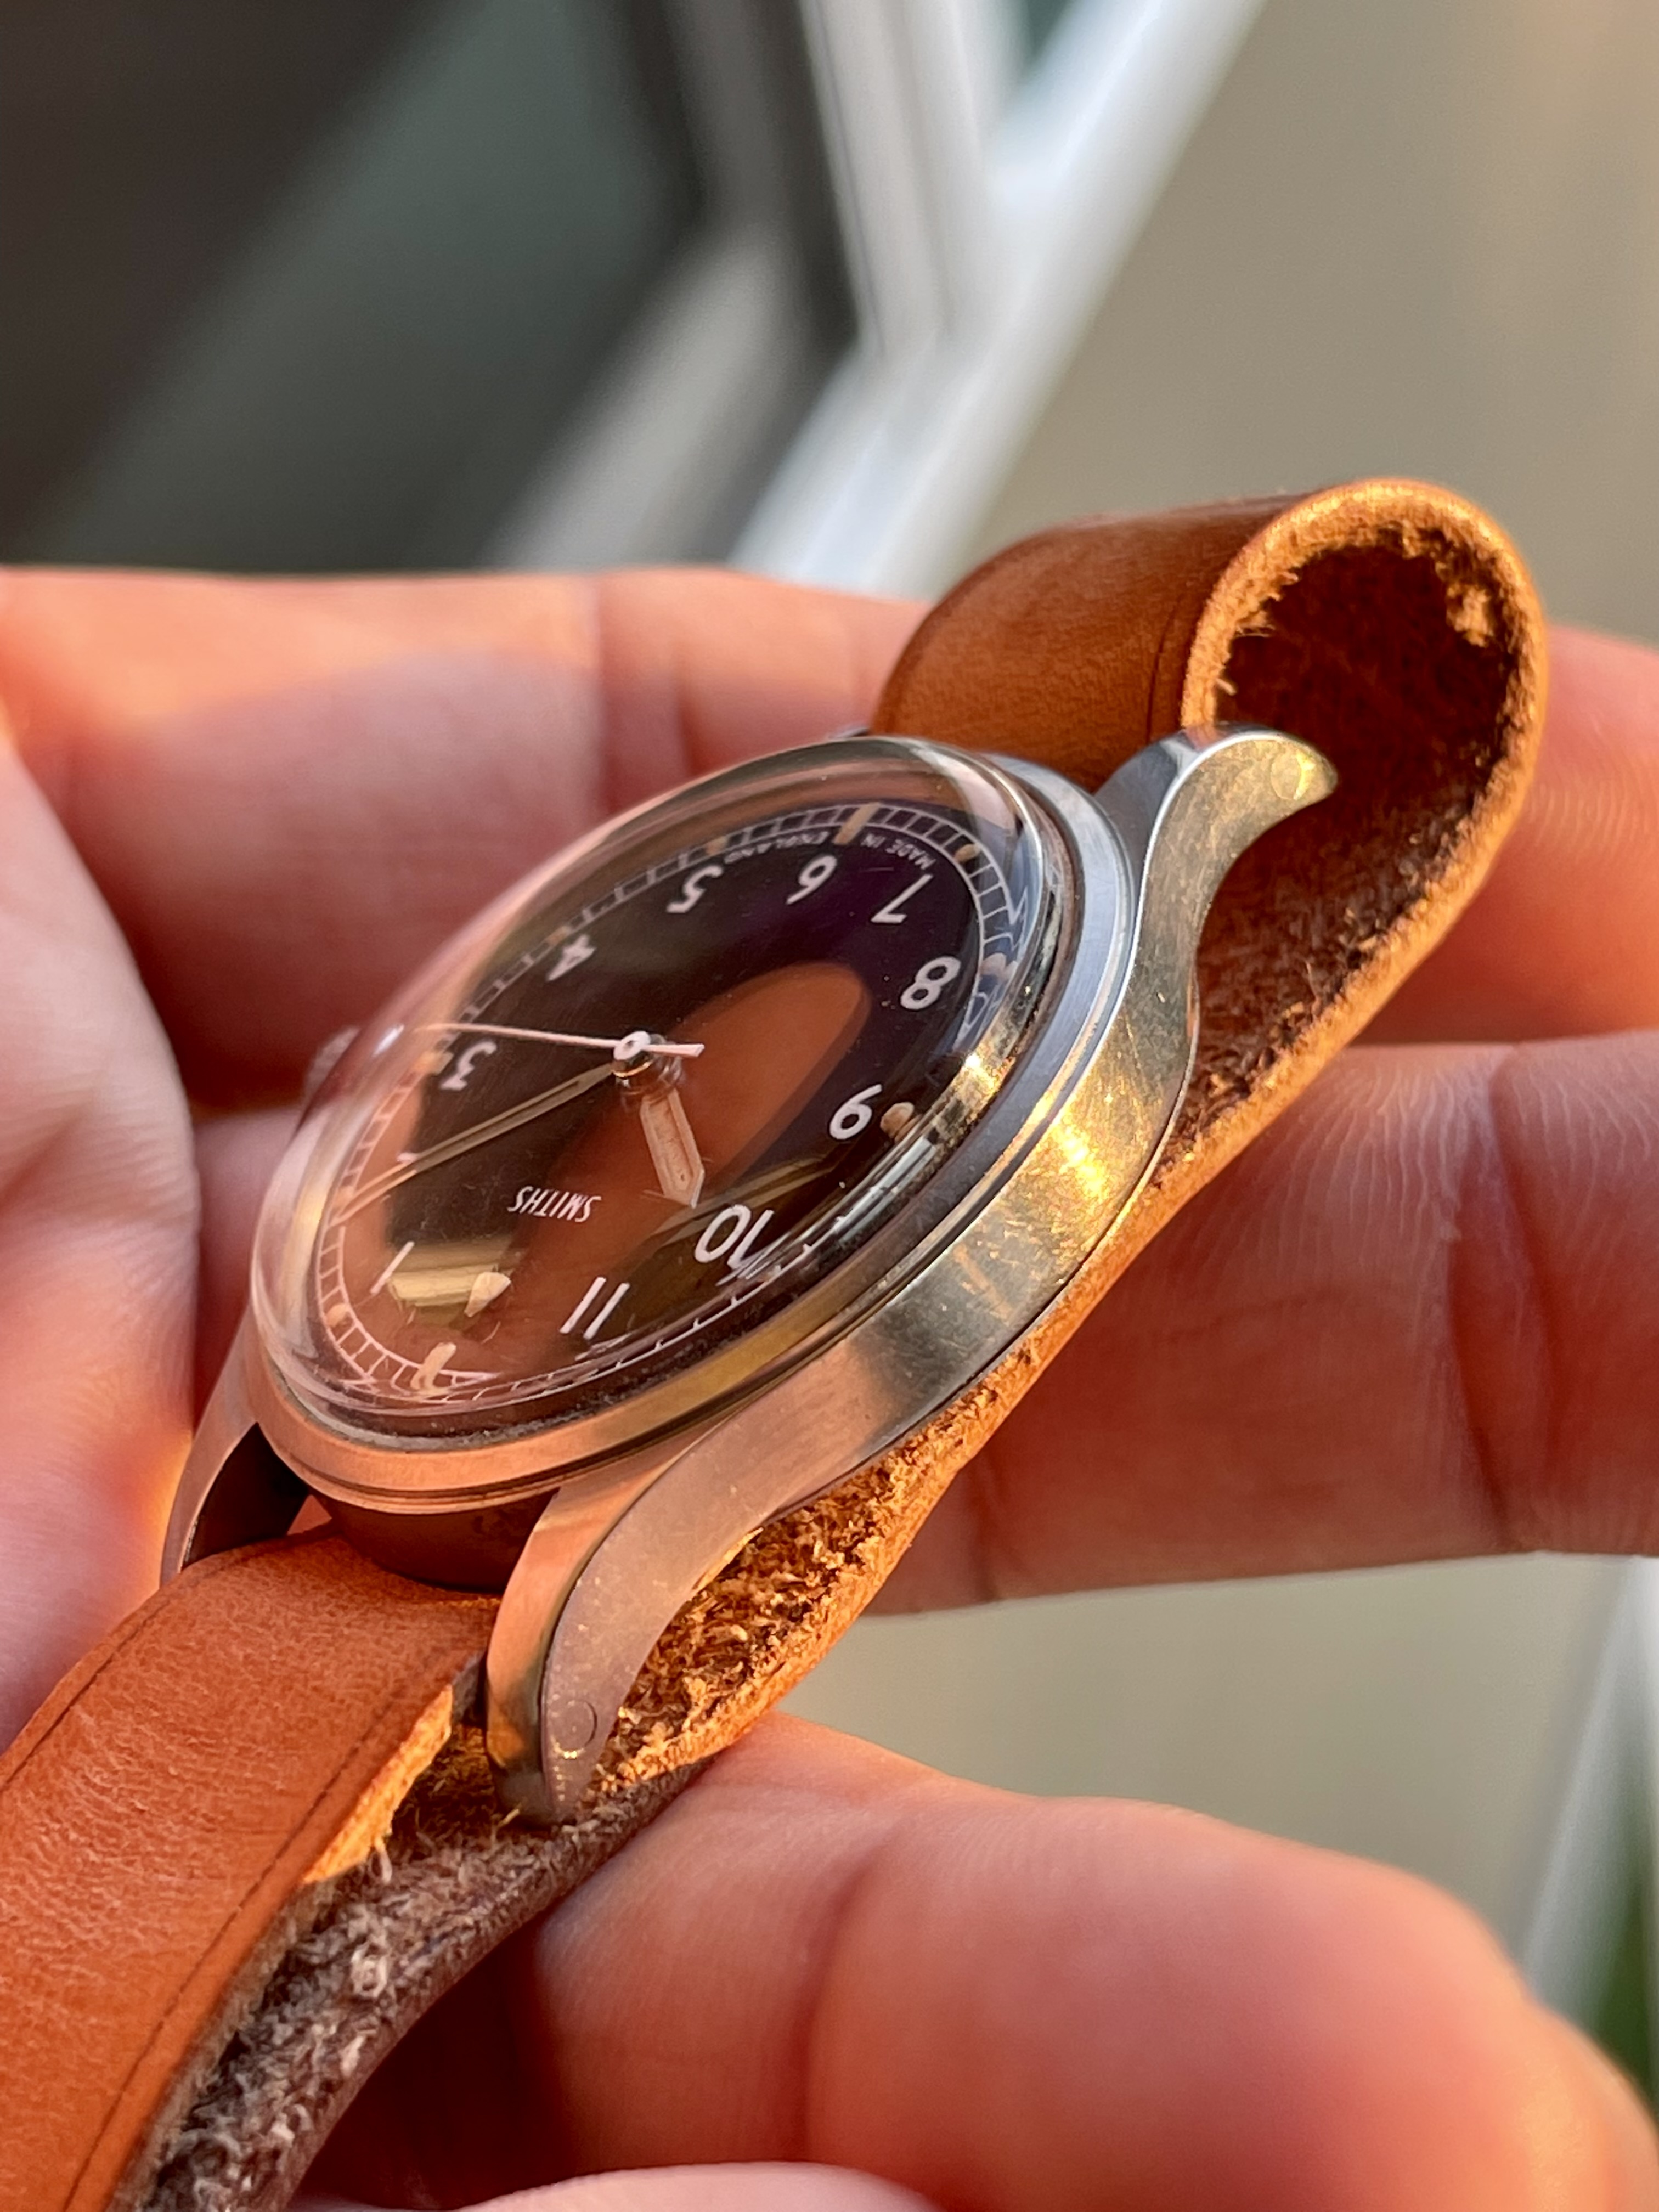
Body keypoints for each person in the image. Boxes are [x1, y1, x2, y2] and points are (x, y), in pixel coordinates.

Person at [2, 565, 1656, 2212]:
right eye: (643, 1051)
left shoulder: (1058, 945)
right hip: (366, 1393)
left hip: (543, 1476)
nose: (654, 1059)